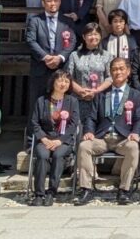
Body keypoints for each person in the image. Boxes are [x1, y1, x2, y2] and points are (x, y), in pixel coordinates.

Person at [73, 58, 140, 206]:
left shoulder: (136, 95)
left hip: (123, 138)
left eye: (121, 69)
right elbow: (91, 117)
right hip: (102, 137)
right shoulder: (101, 94)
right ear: (110, 73)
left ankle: (124, 189)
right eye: (114, 69)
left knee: (133, 147)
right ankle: (86, 188)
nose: (118, 72)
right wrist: (89, 131)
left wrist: (136, 132)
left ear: (128, 71)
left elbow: (139, 119)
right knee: (84, 146)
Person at [29, 69, 80, 206]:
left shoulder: (72, 101)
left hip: (63, 140)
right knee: (42, 155)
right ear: (53, 82)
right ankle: (39, 194)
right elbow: (34, 122)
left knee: (58, 155)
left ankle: (52, 191)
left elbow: (74, 124)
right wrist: (43, 138)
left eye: (66, 81)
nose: (63, 84)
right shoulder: (41, 101)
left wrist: (60, 140)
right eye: (60, 80)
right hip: (45, 138)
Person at [26, 0, 78, 115]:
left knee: (61, 104)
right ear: (43, 3)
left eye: (55, 0)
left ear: (60, 2)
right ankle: (35, 133)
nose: (52, 3)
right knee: (37, 102)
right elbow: (30, 41)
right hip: (40, 67)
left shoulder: (67, 21)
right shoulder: (35, 21)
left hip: (60, 68)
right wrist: (46, 57)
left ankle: (60, 132)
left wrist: (60, 57)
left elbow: (72, 41)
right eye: (49, 1)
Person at [65, 22, 112, 125]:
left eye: (96, 34)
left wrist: (96, 91)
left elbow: (110, 78)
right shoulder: (74, 55)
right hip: (79, 99)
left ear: (100, 36)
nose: (93, 37)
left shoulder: (107, 55)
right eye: (90, 34)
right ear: (84, 36)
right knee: (79, 129)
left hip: (100, 100)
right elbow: (68, 77)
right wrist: (81, 91)